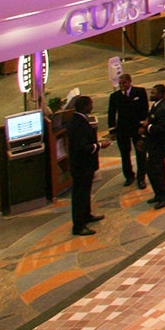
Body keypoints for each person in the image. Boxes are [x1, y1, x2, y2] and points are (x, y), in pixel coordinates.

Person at [65, 95, 105, 236]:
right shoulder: (77, 124)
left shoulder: (79, 120)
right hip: (81, 166)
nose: (92, 106)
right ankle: (78, 226)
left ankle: (86, 215)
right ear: (85, 106)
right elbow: (83, 147)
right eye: (90, 104)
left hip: (85, 165)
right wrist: (100, 145)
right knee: (80, 196)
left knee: (86, 192)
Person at [107, 72, 149, 189]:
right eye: (120, 83)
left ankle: (141, 178)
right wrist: (112, 130)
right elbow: (111, 113)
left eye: (124, 83)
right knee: (124, 154)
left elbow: (144, 109)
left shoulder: (139, 92)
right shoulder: (115, 96)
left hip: (137, 128)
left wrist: (142, 126)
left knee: (140, 153)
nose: (121, 85)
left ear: (129, 82)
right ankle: (129, 176)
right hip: (122, 129)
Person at [141, 83, 165, 209]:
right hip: (153, 144)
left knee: (156, 171)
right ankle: (158, 194)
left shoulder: (163, 109)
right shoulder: (156, 106)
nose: (151, 95)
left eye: (153, 93)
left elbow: (161, 128)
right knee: (152, 170)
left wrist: (147, 126)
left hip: (160, 145)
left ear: (160, 94)